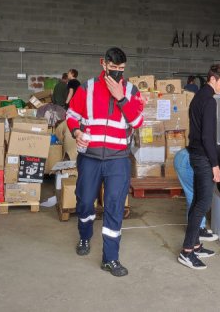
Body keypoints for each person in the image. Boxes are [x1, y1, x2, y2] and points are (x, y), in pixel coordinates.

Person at [66, 47, 144, 277]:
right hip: (90, 158)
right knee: (84, 201)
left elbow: (138, 121)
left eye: (121, 69)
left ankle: (110, 258)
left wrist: (121, 97)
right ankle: (84, 235)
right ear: (103, 64)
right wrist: (77, 132)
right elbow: (72, 115)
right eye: (113, 69)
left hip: (118, 160)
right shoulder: (87, 87)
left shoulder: (130, 90)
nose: (118, 73)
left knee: (114, 206)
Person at [178, 64, 220, 270]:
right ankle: (187, 251)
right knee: (203, 202)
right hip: (202, 158)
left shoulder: (197, 98)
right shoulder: (209, 102)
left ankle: (196, 244)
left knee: (198, 202)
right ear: (213, 79)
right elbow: (208, 137)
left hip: (195, 153)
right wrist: (215, 165)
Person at [174, 148, 218, 242]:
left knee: (193, 194)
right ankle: (198, 230)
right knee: (196, 196)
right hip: (188, 160)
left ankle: (196, 227)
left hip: (183, 156)